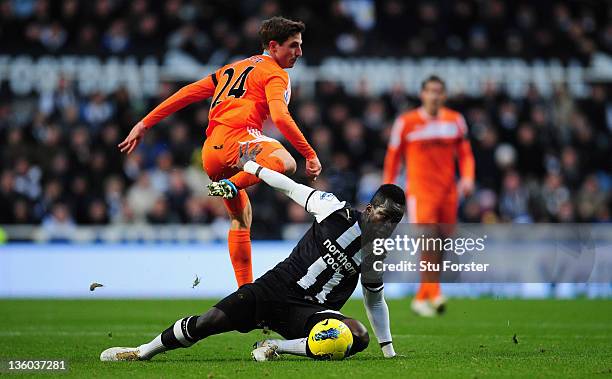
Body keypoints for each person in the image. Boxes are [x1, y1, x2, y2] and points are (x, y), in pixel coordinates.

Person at [101, 143, 405, 362]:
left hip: (308, 314)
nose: (388, 225)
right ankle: (141, 352)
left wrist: (389, 351)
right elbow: (288, 186)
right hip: (275, 288)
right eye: (384, 217)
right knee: (210, 321)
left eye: (395, 221)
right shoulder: (334, 210)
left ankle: (276, 347)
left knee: (356, 335)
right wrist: (251, 166)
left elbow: (374, 301)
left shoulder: (376, 253)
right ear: (369, 209)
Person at [118, 17, 321, 287]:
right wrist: (309, 153)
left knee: (241, 217)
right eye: (294, 46)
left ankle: (244, 292)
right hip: (239, 140)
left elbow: (186, 93)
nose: (299, 52)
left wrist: (144, 123)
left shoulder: (232, 69)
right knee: (286, 162)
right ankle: (230, 185)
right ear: (273, 46)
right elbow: (281, 118)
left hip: (211, 153)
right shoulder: (275, 73)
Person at [382, 75, 475, 317]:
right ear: (422, 94)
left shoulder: (455, 120)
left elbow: (465, 154)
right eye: (430, 91)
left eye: (438, 92)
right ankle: (434, 291)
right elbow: (393, 157)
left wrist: (467, 177)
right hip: (420, 192)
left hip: (448, 192)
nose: (434, 96)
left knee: (441, 242)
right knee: (428, 238)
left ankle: (423, 295)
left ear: (444, 96)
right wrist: (388, 186)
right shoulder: (406, 122)